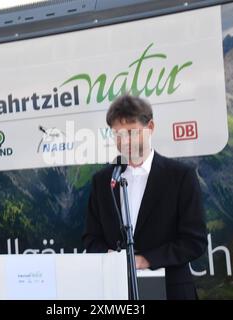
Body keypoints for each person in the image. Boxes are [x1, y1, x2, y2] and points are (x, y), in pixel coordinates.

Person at [82, 94, 208, 300]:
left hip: (171, 291)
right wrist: (110, 257)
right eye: (117, 134)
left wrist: (143, 260)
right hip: (117, 292)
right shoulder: (102, 180)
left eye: (132, 132)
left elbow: (194, 241)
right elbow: (91, 238)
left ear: (151, 128)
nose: (124, 141)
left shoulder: (180, 176)